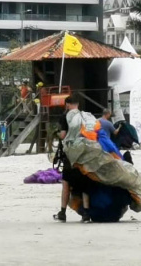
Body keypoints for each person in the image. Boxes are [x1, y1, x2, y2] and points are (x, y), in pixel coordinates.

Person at [54, 94, 93, 223]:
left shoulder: (65, 117)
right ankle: (86, 213)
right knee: (85, 182)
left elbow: (63, 135)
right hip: (84, 152)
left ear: (67, 105)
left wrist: (57, 133)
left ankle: (63, 212)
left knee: (66, 183)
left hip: (70, 154)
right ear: (78, 104)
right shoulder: (84, 116)